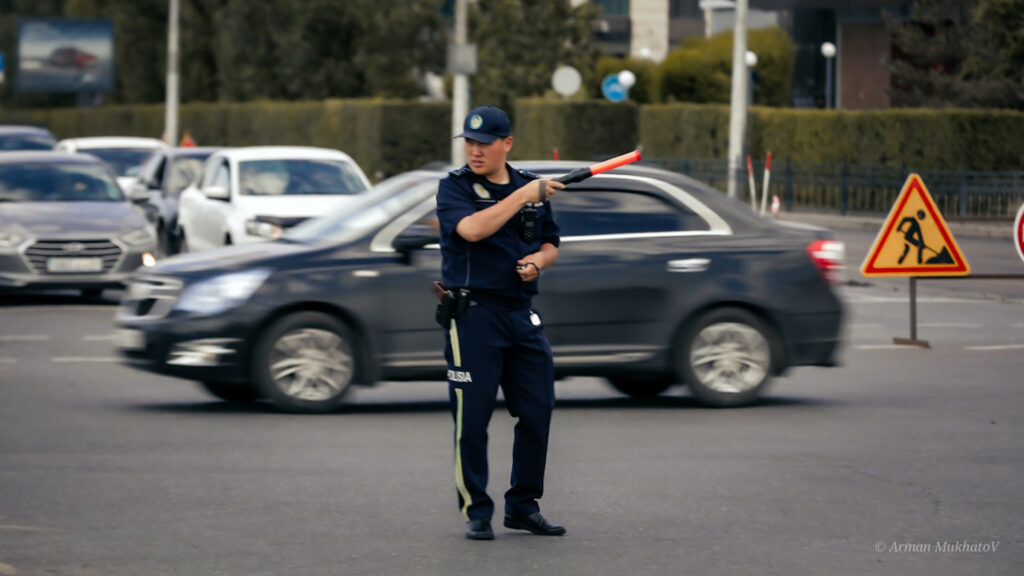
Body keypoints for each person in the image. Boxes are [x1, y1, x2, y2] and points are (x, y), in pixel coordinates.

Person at [435, 105, 567, 541]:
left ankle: (523, 505)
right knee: (471, 420)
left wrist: (537, 263)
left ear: (506, 144)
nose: (475, 151)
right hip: (472, 316)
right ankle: (477, 509)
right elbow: (472, 230)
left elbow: (550, 244)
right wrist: (521, 198)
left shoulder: (529, 185)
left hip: (520, 314)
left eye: (484, 143)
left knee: (537, 411)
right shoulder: (454, 188)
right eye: (469, 143)